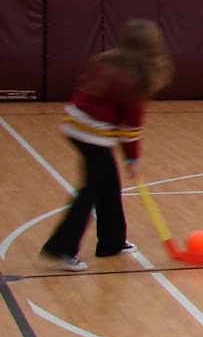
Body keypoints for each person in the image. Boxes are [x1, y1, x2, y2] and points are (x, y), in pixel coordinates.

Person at [40, 20, 173, 271]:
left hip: (77, 125)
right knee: (91, 190)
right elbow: (130, 126)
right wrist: (132, 158)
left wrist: (127, 155)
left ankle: (112, 242)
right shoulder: (136, 77)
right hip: (91, 134)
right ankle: (61, 247)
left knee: (108, 183)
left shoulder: (110, 61)